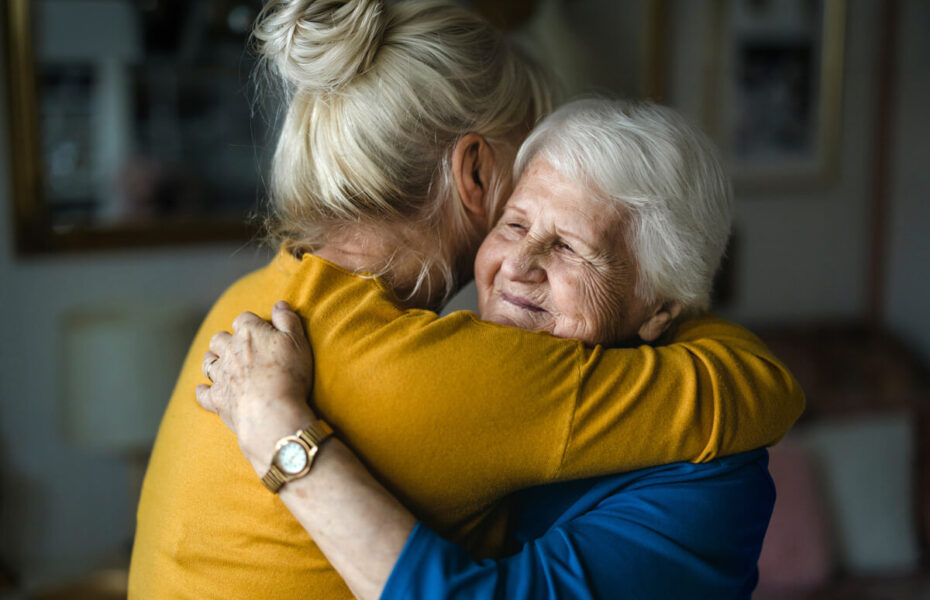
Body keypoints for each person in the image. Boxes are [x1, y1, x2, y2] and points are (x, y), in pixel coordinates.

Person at [129, 1, 803, 598]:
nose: (521, 264)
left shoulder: (244, 305)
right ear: (476, 171)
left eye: (571, 246)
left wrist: (282, 431)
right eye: (515, 216)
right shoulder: (451, 371)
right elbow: (757, 391)